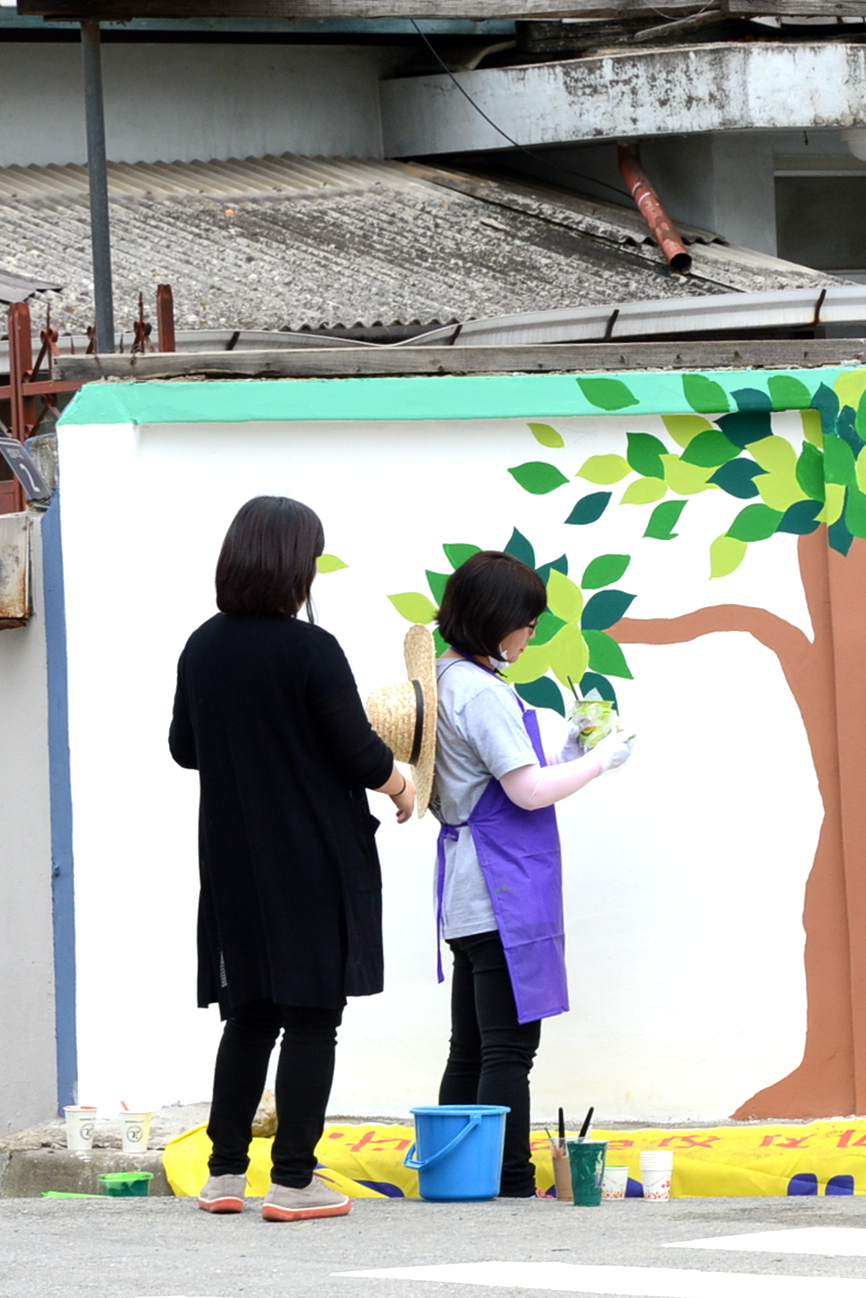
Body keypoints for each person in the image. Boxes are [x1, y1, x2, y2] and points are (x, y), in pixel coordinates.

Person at [171, 496, 417, 1222]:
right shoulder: (312, 649)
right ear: (293, 566)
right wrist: (402, 784)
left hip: (232, 861)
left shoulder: (202, 646)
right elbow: (357, 750)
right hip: (310, 854)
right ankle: (293, 1181)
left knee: (249, 1015)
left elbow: (184, 748)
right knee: (312, 1018)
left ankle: (223, 1175)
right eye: (311, 557)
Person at [432, 550, 637, 1198]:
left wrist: (568, 754)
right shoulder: (482, 692)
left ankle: (454, 1176)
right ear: (498, 621)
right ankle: (510, 1179)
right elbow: (526, 793)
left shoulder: (444, 678)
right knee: (508, 1050)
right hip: (503, 889)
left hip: (467, 888)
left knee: (470, 1048)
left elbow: (504, 779)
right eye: (526, 624)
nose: (529, 636)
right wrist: (601, 761)